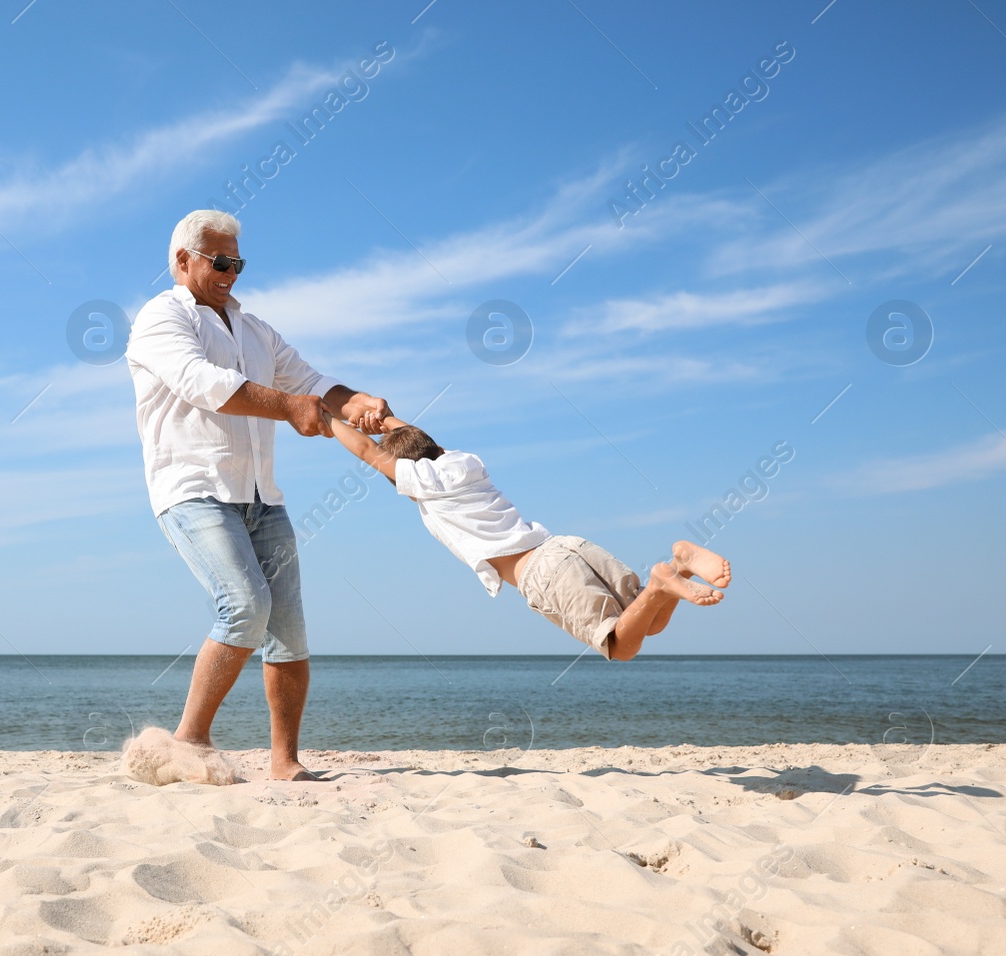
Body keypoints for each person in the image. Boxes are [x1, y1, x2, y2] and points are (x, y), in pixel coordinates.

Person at [123, 209, 392, 782]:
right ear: (183, 261)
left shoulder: (255, 329)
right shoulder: (159, 319)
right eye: (219, 262)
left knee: (288, 628)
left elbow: (313, 384)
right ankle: (188, 741)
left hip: (262, 496)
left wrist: (360, 402)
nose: (230, 273)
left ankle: (285, 762)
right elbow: (204, 384)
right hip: (192, 489)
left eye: (237, 262)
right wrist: (290, 408)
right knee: (244, 605)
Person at [328, 414, 730, 660]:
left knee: (622, 647)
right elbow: (423, 443)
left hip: (541, 572)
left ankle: (664, 577)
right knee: (647, 622)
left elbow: (367, 452)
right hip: (567, 545)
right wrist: (389, 422)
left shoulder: (424, 483)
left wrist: (327, 418)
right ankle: (679, 564)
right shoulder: (463, 464)